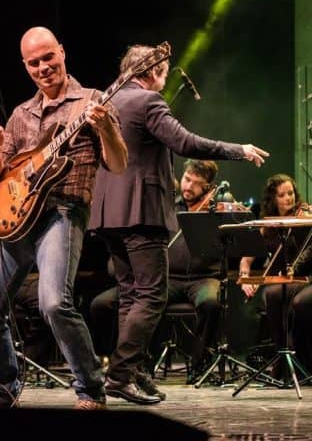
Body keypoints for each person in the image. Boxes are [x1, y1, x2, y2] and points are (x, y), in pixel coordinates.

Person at [88, 43, 270, 405]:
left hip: (108, 212)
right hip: (140, 210)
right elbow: (185, 143)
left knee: (131, 294)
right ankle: (121, 374)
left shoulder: (108, 98)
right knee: (152, 294)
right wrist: (239, 150)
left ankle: (133, 371)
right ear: (153, 72)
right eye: (164, 71)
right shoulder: (148, 101)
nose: (165, 79)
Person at [0, 26, 128, 410]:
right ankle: (2, 387)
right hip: (15, 218)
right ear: (25, 66)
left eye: (48, 57)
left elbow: (119, 164)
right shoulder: (21, 114)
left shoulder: (92, 100)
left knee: (54, 303)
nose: (43, 67)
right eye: (34, 63)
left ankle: (90, 388)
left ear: (62, 52)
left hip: (62, 211)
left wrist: (106, 127)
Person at [90, 159, 224, 391]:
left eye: (197, 183)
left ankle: (200, 363)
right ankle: (141, 365)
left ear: (208, 187)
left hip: (203, 278)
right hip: (170, 277)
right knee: (148, 301)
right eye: (187, 179)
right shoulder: (169, 204)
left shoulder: (213, 211)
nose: (189, 186)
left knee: (210, 302)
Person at [240, 174, 312, 375]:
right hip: (279, 279)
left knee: (290, 300)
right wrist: (245, 279)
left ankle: (299, 360)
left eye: (291, 193)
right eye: (282, 195)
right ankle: (282, 356)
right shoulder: (268, 225)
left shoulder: (305, 217)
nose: (289, 198)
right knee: (272, 294)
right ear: (273, 199)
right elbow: (246, 260)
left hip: (303, 278)